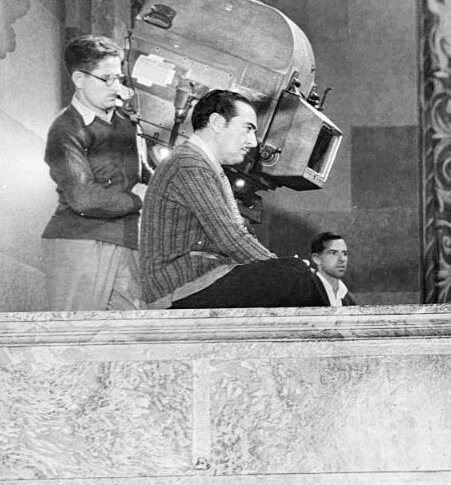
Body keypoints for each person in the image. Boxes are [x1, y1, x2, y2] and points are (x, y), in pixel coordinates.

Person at [139, 89, 326, 309]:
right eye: (248, 129)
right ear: (217, 123)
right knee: (294, 273)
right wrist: (279, 268)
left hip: (199, 280)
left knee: (295, 275)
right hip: (181, 287)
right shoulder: (189, 164)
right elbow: (229, 236)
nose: (253, 143)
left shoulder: (201, 164)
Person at [41, 34, 147, 310]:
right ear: (79, 79)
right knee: (79, 331)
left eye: (119, 78)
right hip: (79, 242)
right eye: (107, 79)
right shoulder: (66, 129)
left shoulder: (127, 123)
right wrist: (138, 199)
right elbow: (83, 198)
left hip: (126, 240)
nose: (117, 87)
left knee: (132, 330)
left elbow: (143, 175)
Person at [309, 231, 357, 307]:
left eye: (345, 253)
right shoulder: (306, 292)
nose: (342, 259)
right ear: (317, 259)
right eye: (334, 253)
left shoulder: (349, 299)